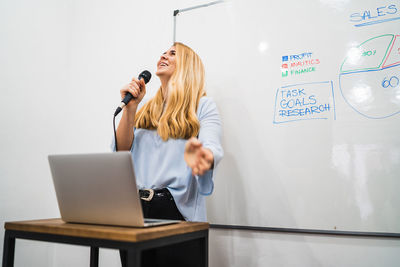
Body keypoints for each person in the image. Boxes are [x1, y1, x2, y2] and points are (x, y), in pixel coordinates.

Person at [114, 42, 223, 266]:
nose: (164, 55)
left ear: (188, 66)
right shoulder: (144, 109)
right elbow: (121, 151)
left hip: (175, 212)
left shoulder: (202, 106)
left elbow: (212, 146)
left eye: (173, 53)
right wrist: (131, 109)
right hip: (135, 211)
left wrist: (204, 157)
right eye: (163, 52)